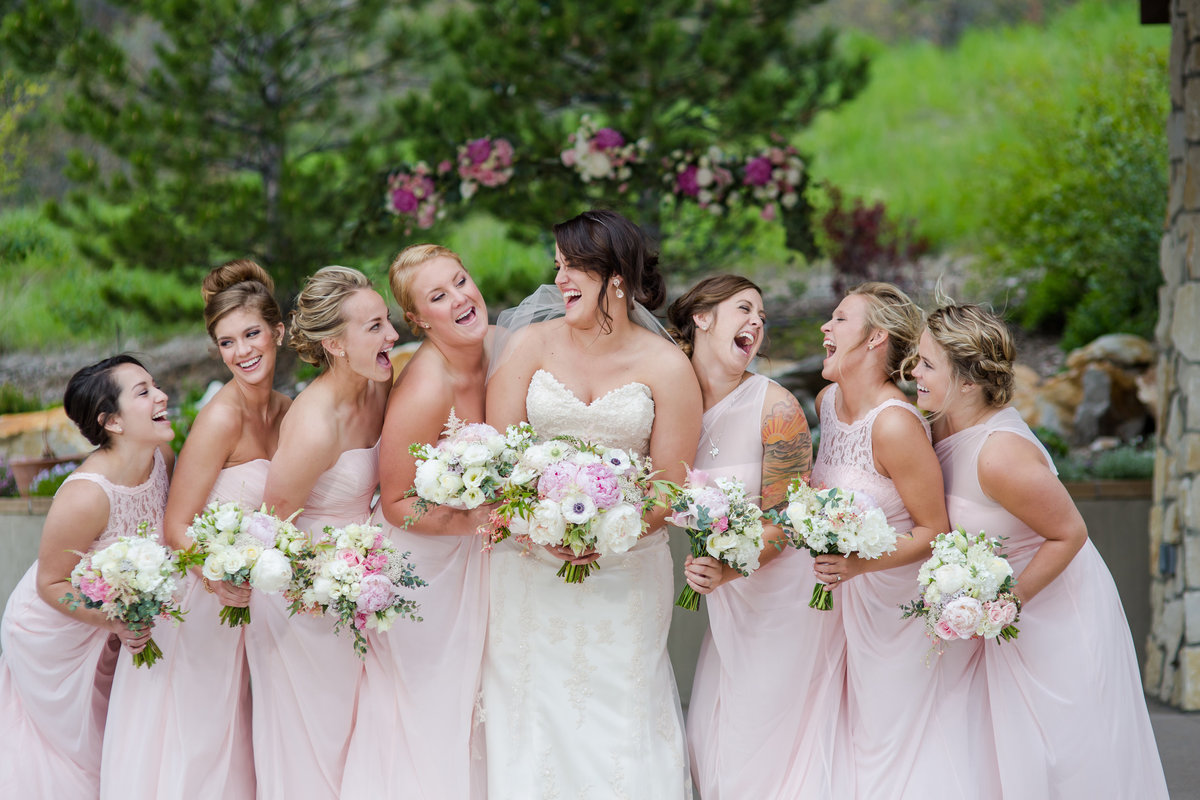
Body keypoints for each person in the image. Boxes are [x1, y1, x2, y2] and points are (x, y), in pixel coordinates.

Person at [483, 209, 701, 799]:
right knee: (533, 716)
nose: (560, 279)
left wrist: (605, 534)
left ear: (616, 278)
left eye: (574, 265)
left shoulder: (666, 367)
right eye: (558, 266)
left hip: (627, 574)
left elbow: (669, 486)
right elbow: (499, 460)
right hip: (529, 566)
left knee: (621, 717)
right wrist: (539, 528)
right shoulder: (528, 345)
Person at [913, 301, 1169, 799]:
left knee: (1066, 757)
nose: (913, 373)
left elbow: (1070, 533)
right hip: (1008, 614)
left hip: (1056, 610)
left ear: (968, 381)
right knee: (1010, 758)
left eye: (926, 364)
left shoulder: (1000, 455)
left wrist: (1003, 604)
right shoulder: (940, 424)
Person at [105, 260, 290, 799]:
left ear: (277, 332)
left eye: (251, 334)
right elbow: (175, 526)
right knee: (198, 736)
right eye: (227, 342)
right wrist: (217, 576)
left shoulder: (286, 410)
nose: (242, 352)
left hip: (254, 599)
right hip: (203, 598)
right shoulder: (220, 418)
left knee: (239, 733)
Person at [810, 282, 997, 798]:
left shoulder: (894, 425)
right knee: (856, 732)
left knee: (897, 736)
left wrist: (857, 566)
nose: (826, 327)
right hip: (845, 606)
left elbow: (935, 532)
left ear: (876, 340)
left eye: (840, 319)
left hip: (895, 607)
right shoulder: (827, 403)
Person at [667, 274, 846, 799]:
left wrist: (728, 566)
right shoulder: (667, 393)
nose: (756, 324)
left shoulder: (776, 407)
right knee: (708, 737)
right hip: (729, 603)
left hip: (780, 599)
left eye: (762, 318)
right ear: (702, 317)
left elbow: (788, 519)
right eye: (744, 309)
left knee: (759, 748)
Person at [342, 245, 491, 798]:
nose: (459, 298)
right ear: (417, 320)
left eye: (460, 280)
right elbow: (399, 501)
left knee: (474, 700)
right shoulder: (426, 386)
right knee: (431, 702)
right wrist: (473, 519)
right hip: (424, 565)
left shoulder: (495, 345)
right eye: (438, 296)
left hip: (475, 553)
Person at [250, 265, 398, 800]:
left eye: (387, 321)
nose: (393, 336)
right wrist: (320, 590)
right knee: (315, 742)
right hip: (305, 599)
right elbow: (269, 528)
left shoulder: (379, 387)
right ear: (335, 343)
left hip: (362, 582)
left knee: (366, 734)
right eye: (375, 327)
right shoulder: (316, 425)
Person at [0, 355, 173, 795]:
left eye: (154, 386)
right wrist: (113, 620)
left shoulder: (161, 454)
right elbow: (50, 583)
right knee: (79, 759)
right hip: (54, 633)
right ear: (111, 421)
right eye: (144, 392)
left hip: (114, 625)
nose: (161, 396)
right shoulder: (86, 496)